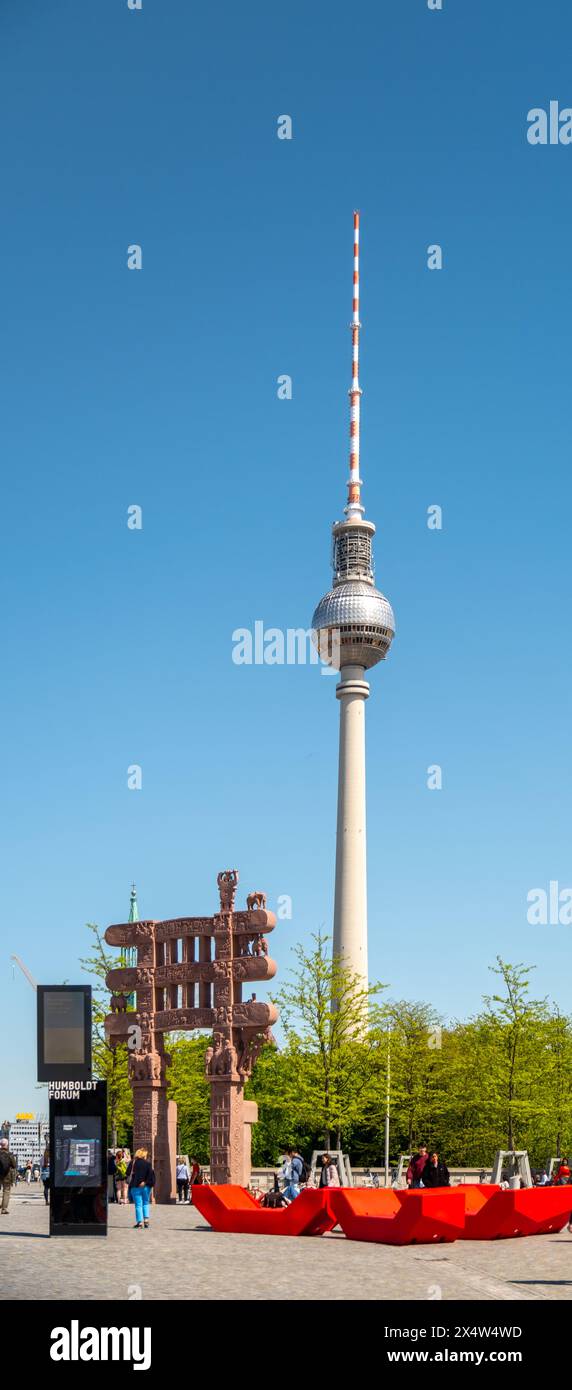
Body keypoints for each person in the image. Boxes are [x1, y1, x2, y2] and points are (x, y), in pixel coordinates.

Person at [127, 1148, 155, 1229]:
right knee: (146, 1203)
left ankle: (139, 1223)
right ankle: (146, 1220)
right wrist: (145, 1182)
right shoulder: (148, 1164)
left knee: (138, 1205)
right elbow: (151, 1175)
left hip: (135, 1186)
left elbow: (128, 1173)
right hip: (146, 1187)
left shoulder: (133, 1163)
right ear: (144, 1155)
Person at [0, 1139, 17, 1215]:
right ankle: (4, 1209)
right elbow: (14, 1165)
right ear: (7, 1145)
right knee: (6, 1191)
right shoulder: (10, 1154)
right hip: (7, 1175)